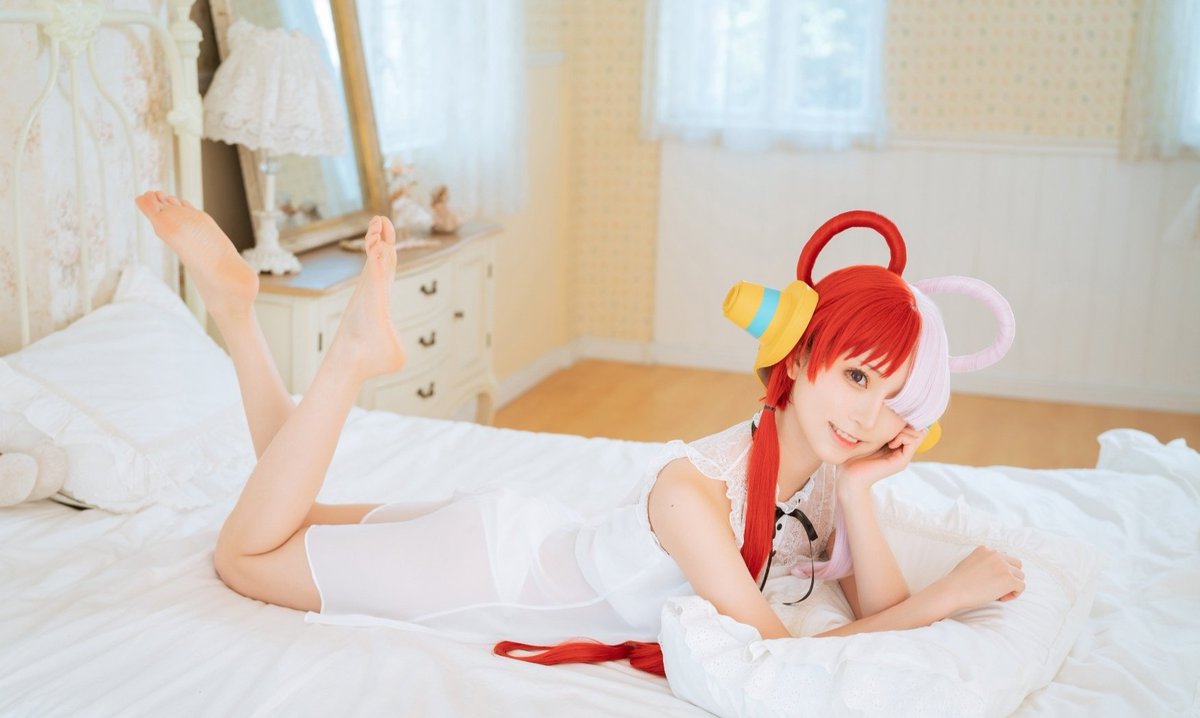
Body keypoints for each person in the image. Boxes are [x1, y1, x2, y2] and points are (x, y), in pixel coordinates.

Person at [134, 192, 1025, 676]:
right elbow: (776, 653)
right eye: (857, 377)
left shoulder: (827, 471)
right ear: (797, 355)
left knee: (287, 514)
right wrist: (945, 598)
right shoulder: (694, 494)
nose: (867, 417)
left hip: (512, 534)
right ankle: (353, 355)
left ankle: (237, 313)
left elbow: (870, 608)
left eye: (892, 397)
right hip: (479, 571)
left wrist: (863, 489)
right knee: (244, 556)